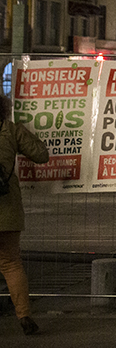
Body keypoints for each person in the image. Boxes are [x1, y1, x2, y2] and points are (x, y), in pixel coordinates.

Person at [0, 94, 49, 335]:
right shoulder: (11, 130)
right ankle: (24, 315)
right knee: (10, 263)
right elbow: (41, 154)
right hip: (6, 209)